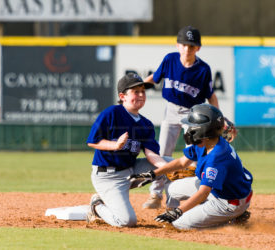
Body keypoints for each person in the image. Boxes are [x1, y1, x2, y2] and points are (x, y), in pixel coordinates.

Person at [129, 104, 253, 229]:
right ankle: (191, 214)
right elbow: (182, 162)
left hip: (229, 201)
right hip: (222, 190)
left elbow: (203, 193)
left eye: (192, 126)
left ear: (204, 130)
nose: (189, 129)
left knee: (179, 223)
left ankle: (231, 221)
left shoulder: (216, 157)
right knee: (172, 189)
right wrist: (154, 173)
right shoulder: (206, 142)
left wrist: (178, 211)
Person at [142, 25, 221, 209]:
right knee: (163, 154)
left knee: (193, 157)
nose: (187, 49)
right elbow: (154, 78)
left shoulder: (203, 69)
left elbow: (211, 95)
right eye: (184, 45)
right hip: (171, 110)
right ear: (178, 45)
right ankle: (155, 194)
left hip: (193, 114)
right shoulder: (170, 60)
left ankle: (185, 197)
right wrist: (134, 88)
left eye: (192, 46)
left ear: (198, 48)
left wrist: (219, 119)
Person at [85, 73, 170, 227]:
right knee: (127, 221)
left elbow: (151, 154)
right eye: (135, 91)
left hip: (131, 171)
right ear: (122, 96)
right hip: (108, 176)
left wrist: (169, 168)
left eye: (143, 91)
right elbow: (93, 141)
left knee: (171, 164)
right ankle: (97, 206)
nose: (141, 95)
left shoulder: (146, 124)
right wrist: (115, 145)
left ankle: (175, 209)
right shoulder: (111, 113)